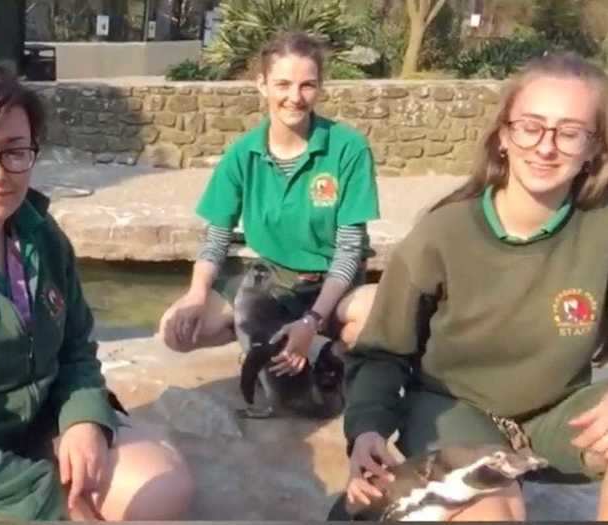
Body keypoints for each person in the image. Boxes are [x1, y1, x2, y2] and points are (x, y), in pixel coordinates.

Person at [0, 61, 193, 521]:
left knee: (162, 490)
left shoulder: (38, 234)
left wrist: (82, 417)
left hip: (35, 422)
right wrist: (51, 499)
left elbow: (76, 347)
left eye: (14, 151)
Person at [342, 52, 608, 521]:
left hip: (556, 415)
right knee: (496, 507)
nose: (546, 147)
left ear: (594, 150)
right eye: (531, 126)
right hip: (454, 408)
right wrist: (367, 429)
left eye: (569, 133)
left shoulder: (600, 230)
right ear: (504, 135)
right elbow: (382, 352)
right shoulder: (441, 234)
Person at [159, 32, 379, 378]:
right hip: (272, 282)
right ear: (262, 85)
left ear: (320, 87)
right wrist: (196, 294)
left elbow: (349, 251)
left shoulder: (348, 149)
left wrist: (312, 320)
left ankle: (332, 354)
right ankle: (257, 337)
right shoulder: (242, 153)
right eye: (283, 84)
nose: (295, 97)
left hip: (334, 287)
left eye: (307, 85)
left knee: (381, 314)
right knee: (175, 331)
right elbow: (216, 238)